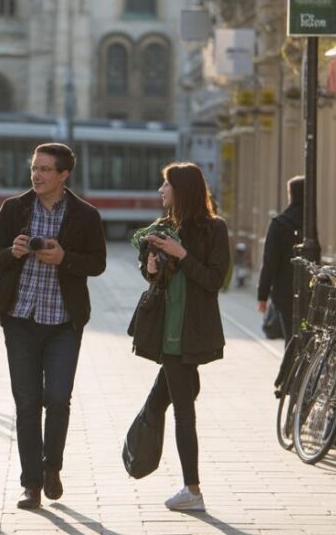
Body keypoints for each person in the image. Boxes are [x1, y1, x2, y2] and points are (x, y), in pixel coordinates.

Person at [0, 143, 106, 510]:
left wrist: (64, 258)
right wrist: (15, 252)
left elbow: (98, 263)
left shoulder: (85, 215)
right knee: (26, 403)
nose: (36, 175)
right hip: (20, 318)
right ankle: (31, 484)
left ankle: (52, 467)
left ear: (64, 174)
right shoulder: (14, 207)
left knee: (56, 398)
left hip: (63, 322)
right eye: (34, 168)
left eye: (45, 170)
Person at [131, 162, 229, 512]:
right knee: (166, 398)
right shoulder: (163, 228)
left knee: (182, 410)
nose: (160, 191)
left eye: (166, 185)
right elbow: (154, 278)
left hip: (188, 332)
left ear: (182, 190)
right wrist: (152, 268)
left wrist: (181, 254)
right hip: (165, 329)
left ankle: (192, 490)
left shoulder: (214, 229)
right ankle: (138, 451)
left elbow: (213, 280)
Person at [258, 176, 305, 341]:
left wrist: (262, 296)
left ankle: (289, 366)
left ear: (290, 195)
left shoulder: (279, 224)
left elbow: (269, 261)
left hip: (284, 292)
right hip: (309, 290)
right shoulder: (310, 223)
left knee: (290, 336)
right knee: (303, 334)